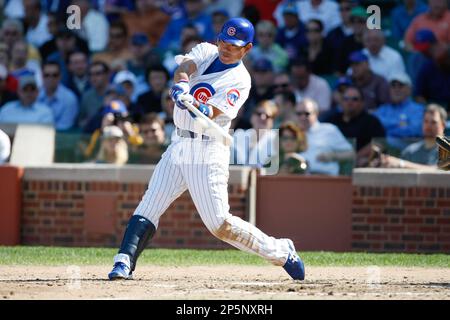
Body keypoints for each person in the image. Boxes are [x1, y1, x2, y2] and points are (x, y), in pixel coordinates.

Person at [108, 17, 305, 281]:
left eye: (234, 45)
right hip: (179, 143)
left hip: (207, 149)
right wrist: (181, 84)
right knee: (150, 203)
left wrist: (200, 108)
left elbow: (213, 112)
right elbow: (186, 66)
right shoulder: (206, 50)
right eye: (224, 40)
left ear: (246, 49)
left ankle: (281, 251)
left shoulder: (241, 80)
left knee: (219, 224)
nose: (226, 47)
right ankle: (124, 261)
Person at [370, 104, 447, 169]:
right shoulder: (410, 151)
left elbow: (439, 171)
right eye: (425, 121)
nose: (428, 126)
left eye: (433, 122)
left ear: (443, 125)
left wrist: (402, 164)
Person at [327, 86, 386, 166]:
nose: (350, 102)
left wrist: (354, 157)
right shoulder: (332, 120)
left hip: (360, 165)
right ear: (341, 102)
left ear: (362, 102)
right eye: (346, 99)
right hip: (333, 163)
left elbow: (379, 143)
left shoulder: (371, 121)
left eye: (354, 99)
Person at [295, 98, 354, 175]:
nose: (302, 117)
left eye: (307, 113)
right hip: (298, 178)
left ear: (316, 113)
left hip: (325, 178)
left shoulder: (329, 130)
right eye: (299, 114)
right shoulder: (292, 132)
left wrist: (332, 156)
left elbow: (351, 153)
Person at [374, 72, 424, 150]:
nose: (396, 89)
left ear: (409, 90)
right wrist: (399, 124)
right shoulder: (383, 109)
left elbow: (415, 131)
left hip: (409, 153)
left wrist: (386, 132)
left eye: (401, 86)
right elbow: (373, 126)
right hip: (384, 152)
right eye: (393, 86)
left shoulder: (418, 109)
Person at [38, 60, 79, 131]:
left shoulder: (69, 98)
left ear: (60, 76)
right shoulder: (34, 95)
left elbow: (65, 127)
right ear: (42, 76)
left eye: (55, 75)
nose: (50, 78)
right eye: (46, 75)